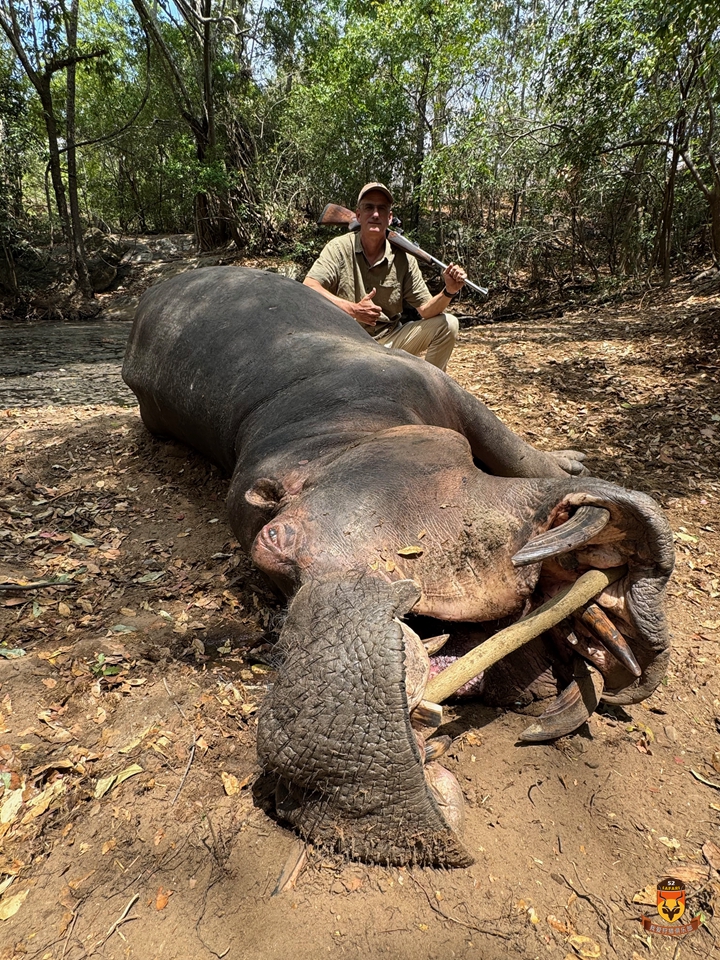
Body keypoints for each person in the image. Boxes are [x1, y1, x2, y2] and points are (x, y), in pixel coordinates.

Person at [303, 182, 467, 371]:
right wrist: (354, 310)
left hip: (390, 341)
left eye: (382, 209)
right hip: (346, 341)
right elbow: (309, 286)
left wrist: (449, 291)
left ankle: (430, 392)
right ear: (358, 215)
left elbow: (426, 310)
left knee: (449, 324)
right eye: (369, 207)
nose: (375, 214)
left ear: (389, 218)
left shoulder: (404, 257)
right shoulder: (338, 247)